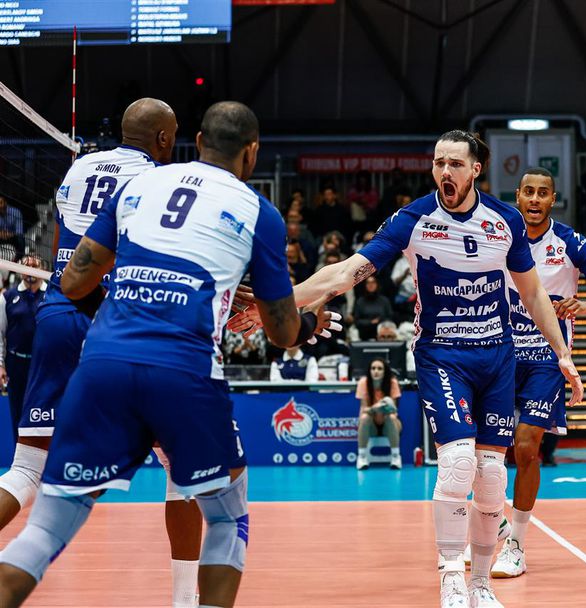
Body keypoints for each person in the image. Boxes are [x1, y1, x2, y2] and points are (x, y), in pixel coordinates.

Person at [229, 129, 584, 608]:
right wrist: (279, 304)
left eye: (455, 164)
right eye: (438, 163)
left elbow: (534, 292)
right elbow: (344, 273)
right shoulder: (415, 219)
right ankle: (451, 577)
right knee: (457, 464)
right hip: (443, 355)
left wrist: (562, 354)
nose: (444, 172)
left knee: (491, 477)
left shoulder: (505, 221)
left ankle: (481, 585)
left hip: (497, 357)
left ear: (476, 169)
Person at [0, 101, 335, 607]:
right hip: (183, 370)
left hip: (104, 362)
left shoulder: (138, 187)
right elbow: (283, 330)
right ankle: (186, 600)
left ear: (196, 143)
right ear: (252, 153)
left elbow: (71, 282)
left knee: (45, 527)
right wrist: (310, 323)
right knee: (225, 516)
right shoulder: (259, 211)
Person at [0, 98, 207, 608]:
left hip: (58, 314)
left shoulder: (79, 168)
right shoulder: (160, 180)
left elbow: (68, 249)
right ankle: (185, 601)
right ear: (164, 138)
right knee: (182, 470)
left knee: (26, 469)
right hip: (121, 322)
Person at [488, 167, 586, 572]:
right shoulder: (497, 237)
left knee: (526, 446)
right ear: (518, 196)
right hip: (498, 354)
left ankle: (516, 544)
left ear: (553, 199)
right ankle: (491, 526)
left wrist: (585, 305)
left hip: (546, 359)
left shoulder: (570, 242)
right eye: (528, 192)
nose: (535, 199)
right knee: (485, 453)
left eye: (542, 193)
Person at [0, 256, 47, 442]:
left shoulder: (51, 295)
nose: (30, 270)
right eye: (27, 267)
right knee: (18, 414)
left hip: (42, 364)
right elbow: (0, 333)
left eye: (35, 266)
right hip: (16, 364)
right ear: (20, 271)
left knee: (43, 413)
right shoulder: (7, 297)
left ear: (42, 270)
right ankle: (18, 456)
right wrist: (0, 365)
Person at [355, 357, 402, 470]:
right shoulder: (363, 383)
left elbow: (394, 411)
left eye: (380, 369)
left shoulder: (392, 382)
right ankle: (362, 457)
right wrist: (376, 408)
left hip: (389, 424)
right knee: (364, 418)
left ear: (385, 371)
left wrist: (385, 407)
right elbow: (363, 410)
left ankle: (396, 457)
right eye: (373, 368)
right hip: (371, 425)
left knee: (391, 417)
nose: (376, 371)